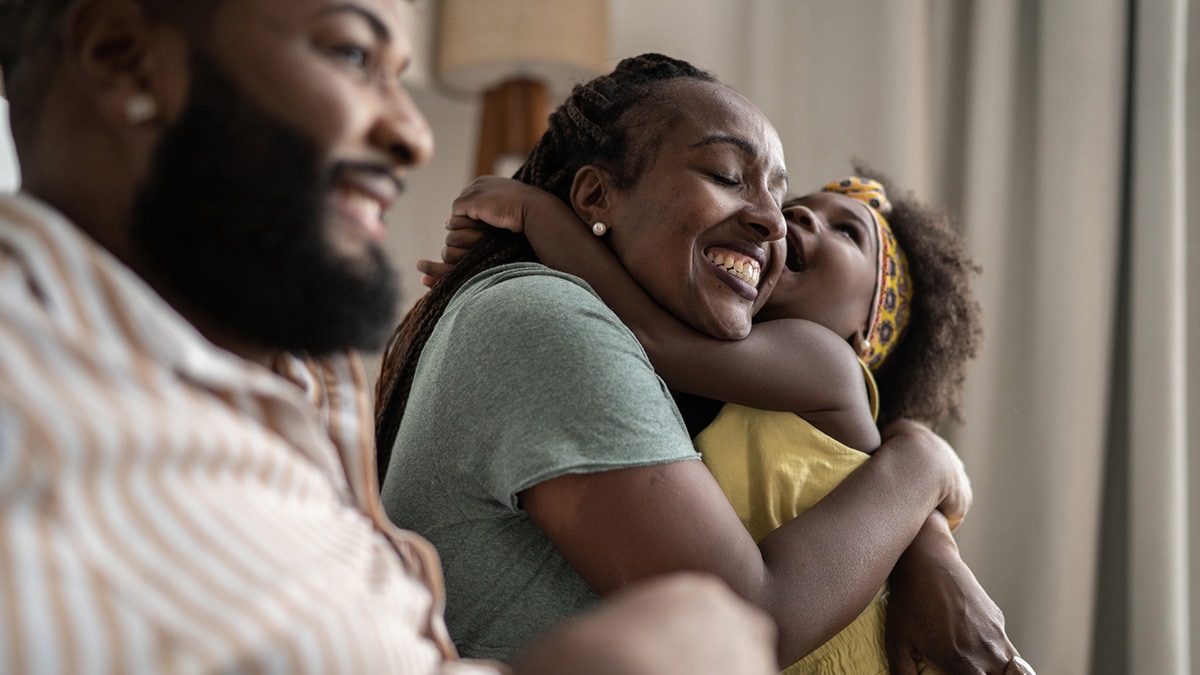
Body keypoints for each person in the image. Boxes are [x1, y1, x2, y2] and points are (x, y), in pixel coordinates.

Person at [0, 1, 786, 673]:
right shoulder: (30, 404)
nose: (414, 135)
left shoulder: (284, 383)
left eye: (399, 74)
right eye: (351, 52)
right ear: (122, 56)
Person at [375, 53, 1017, 673]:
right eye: (726, 176)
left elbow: (655, 339)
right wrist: (924, 467)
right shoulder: (551, 323)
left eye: (779, 193)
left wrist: (925, 516)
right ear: (595, 194)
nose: (778, 221)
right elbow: (747, 618)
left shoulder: (807, 366)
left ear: (865, 333)